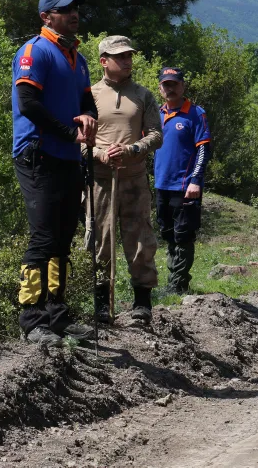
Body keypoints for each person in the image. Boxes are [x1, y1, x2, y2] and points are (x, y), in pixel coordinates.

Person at [12, 0, 98, 348]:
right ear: (46, 17)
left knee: (62, 238)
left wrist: (88, 118)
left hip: (68, 157)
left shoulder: (78, 58)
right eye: (65, 10)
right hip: (38, 154)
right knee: (44, 237)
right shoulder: (35, 51)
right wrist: (68, 132)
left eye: (75, 8)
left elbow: (87, 101)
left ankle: (58, 315)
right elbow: (28, 103)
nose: (74, 14)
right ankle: (32, 320)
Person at [85, 36, 162, 325]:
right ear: (104, 61)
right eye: (120, 56)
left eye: (129, 55)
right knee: (100, 240)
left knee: (140, 239)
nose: (127, 61)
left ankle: (142, 303)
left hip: (134, 179)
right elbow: (76, 140)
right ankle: (102, 304)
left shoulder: (143, 95)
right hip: (100, 181)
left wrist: (133, 149)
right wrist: (99, 154)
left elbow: (156, 135)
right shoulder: (89, 95)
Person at [153, 67, 210, 295]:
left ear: (183, 86)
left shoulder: (195, 113)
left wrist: (196, 180)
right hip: (161, 184)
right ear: (160, 88)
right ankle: (173, 280)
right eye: (166, 85)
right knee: (167, 233)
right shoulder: (156, 114)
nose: (170, 88)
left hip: (185, 186)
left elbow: (203, 149)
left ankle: (178, 285)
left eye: (174, 84)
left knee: (183, 235)